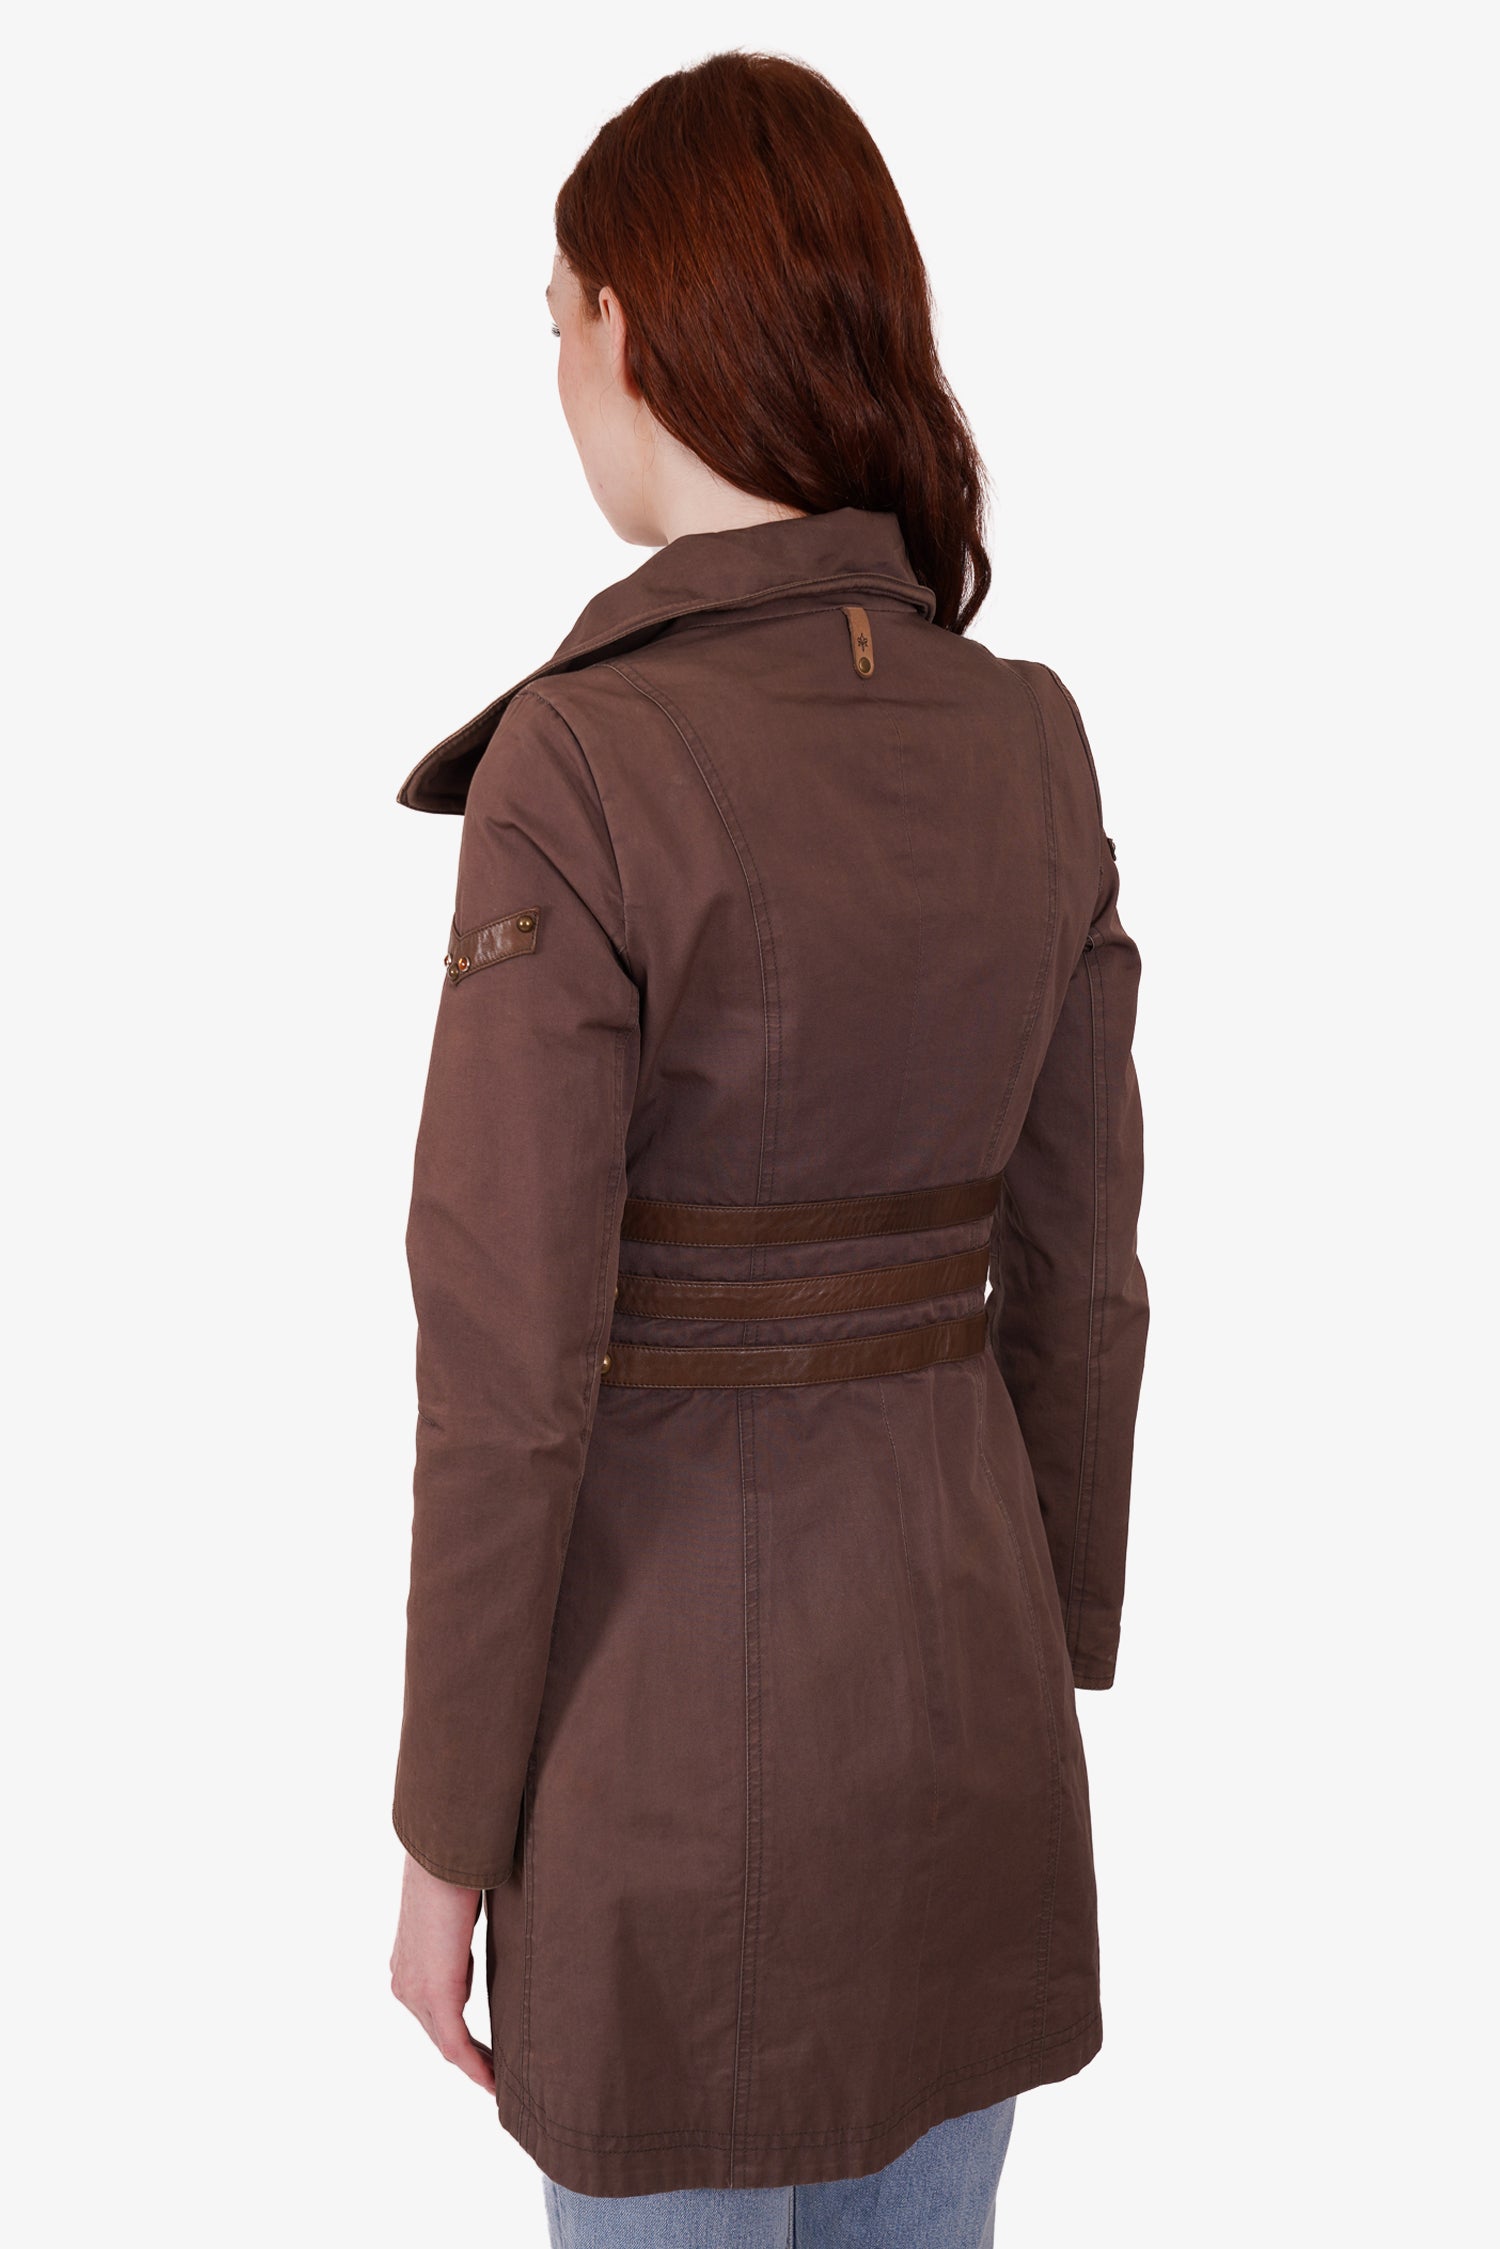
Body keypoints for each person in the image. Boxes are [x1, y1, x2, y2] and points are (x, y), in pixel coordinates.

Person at [387, 49, 1148, 2249]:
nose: (556, 370)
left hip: (663, 1789)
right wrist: (1048, 1641)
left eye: (554, 317)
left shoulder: (581, 764)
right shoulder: (1032, 739)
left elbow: (506, 1370)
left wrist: (445, 1834)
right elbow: (1081, 1278)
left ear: (634, 325)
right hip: (969, 1737)